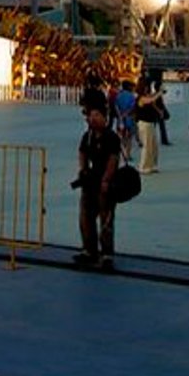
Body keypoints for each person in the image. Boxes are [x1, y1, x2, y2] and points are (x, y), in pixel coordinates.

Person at [73, 104, 123, 270]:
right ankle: (89, 250)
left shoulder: (111, 137)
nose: (91, 119)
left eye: (95, 115)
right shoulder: (88, 136)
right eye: (89, 115)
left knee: (106, 218)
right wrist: (83, 169)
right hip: (90, 182)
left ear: (104, 117)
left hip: (105, 183)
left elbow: (113, 159)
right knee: (85, 217)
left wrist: (106, 180)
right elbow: (82, 152)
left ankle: (107, 254)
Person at [134, 82, 163, 174]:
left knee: (154, 146)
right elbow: (150, 100)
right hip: (144, 124)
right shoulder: (141, 98)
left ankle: (152, 165)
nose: (147, 89)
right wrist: (159, 93)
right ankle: (143, 167)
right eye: (146, 87)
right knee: (147, 146)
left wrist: (159, 111)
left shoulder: (147, 97)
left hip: (151, 123)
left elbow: (152, 101)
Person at [112, 81, 138, 156]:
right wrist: (126, 114)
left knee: (122, 135)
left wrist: (120, 115)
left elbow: (116, 106)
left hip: (120, 118)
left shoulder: (118, 96)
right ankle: (128, 154)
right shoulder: (131, 96)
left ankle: (123, 150)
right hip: (129, 118)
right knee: (129, 136)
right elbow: (133, 107)